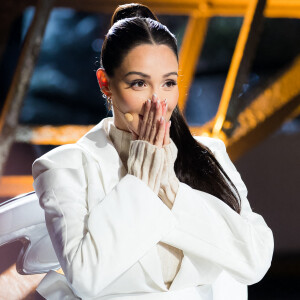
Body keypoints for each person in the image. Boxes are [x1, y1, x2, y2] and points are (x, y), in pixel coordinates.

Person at [32, 3, 274, 299]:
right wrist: (141, 183)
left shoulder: (209, 154)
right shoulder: (66, 167)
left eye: (169, 83)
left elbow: (255, 260)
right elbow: (86, 277)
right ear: (105, 84)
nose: (158, 102)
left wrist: (170, 189)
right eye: (139, 83)